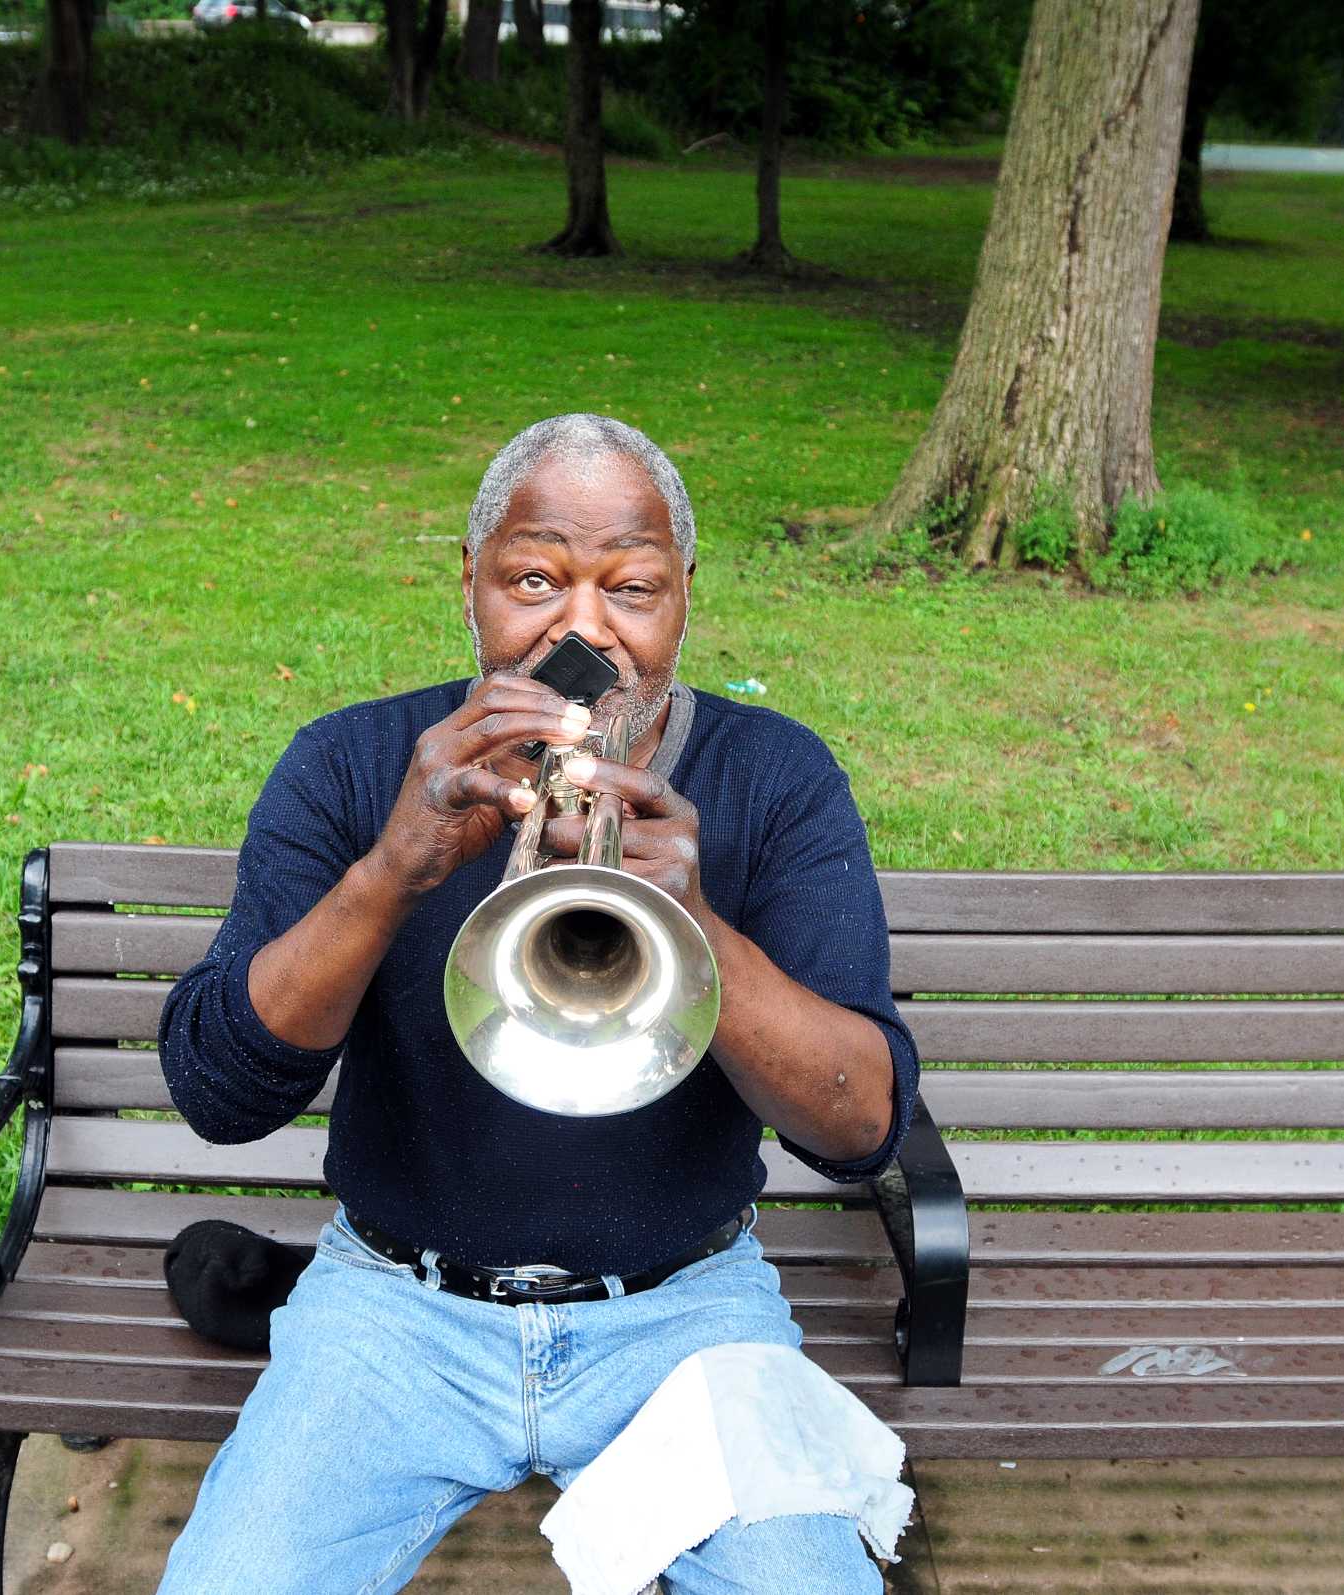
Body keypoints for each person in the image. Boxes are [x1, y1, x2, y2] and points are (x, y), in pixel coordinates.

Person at [155, 413, 920, 1594]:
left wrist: (694, 921)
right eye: (532, 578)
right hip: (391, 1311)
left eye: (632, 586)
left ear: (682, 599)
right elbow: (216, 1089)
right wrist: (392, 868)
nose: (582, 629)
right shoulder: (352, 764)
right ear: (466, 582)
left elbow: (860, 1121)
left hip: (685, 1310)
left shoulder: (776, 776)